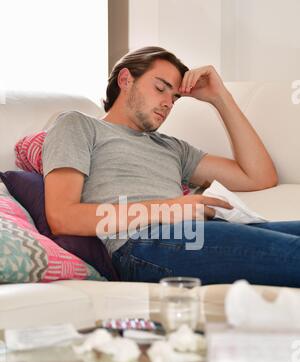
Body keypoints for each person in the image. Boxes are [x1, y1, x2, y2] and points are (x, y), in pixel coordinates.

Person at [43, 46, 300, 287]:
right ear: (125, 80)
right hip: (141, 244)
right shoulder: (77, 125)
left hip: (195, 232)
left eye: (175, 97)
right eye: (160, 88)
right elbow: (62, 217)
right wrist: (170, 209)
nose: (168, 103)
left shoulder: (173, 147)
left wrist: (221, 97)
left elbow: (259, 177)